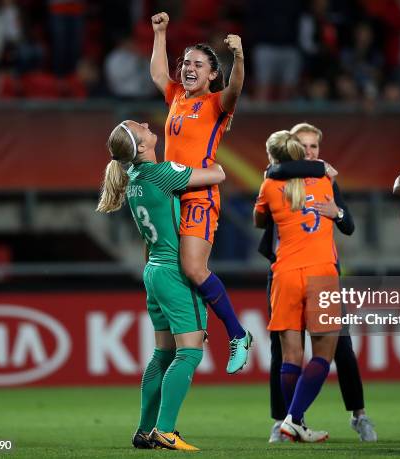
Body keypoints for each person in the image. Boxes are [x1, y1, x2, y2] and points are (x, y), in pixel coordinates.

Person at [97, 120, 227, 451]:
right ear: (141, 147)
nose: (144, 123)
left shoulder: (134, 179)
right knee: (190, 353)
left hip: (153, 271)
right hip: (172, 272)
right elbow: (217, 174)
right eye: (139, 127)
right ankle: (165, 430)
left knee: (163, 354)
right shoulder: (161, 173)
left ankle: (144, 431)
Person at [259, 123, 376, 443]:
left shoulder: (274, 182)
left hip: (308, 270)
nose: (310, 152)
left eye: (314, 147)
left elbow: (348, 224)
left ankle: (358, 414)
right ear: (293, 149)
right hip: (300, 269)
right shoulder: (315, 178)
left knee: (342, 348)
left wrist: (337, 212)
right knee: (285, 353)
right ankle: (289, 418)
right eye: (304, 146)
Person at [149, 12, 252, 374]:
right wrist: (159, 34)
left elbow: (236, 88)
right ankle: (197, 322)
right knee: (175, 270)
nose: (188, 68)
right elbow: (159, 74)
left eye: (197, 64)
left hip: (199, 195)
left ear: (211, 74)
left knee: (194, 267)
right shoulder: (176, 95)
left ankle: (238, 334)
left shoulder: (215, 104)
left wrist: (238, 57)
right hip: (169, 198)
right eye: (186, 62)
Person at [254, 131, 340, 443]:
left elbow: (259, 220)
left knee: (291, 356)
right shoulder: (323, 180)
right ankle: (294, 418)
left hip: (285, 274)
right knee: (323, 353)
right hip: (321, 272)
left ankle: (295, 422)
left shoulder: (269, 185)